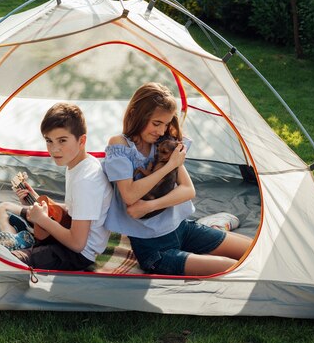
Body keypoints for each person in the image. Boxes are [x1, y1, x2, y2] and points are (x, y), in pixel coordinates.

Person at [103, 82, 252, 276]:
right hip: (155, 249)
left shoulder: (162, 143)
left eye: (166, 124)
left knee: (253, 250)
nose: (162, 131)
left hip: (183, 228)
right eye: (157, 123)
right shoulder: (120, 145)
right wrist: (170, 166)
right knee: (232, 268)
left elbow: (188, 190)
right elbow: (130, 195)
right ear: (136, 113)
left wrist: (149, 206)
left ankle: (212, 228)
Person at [4, 102, 114, 271]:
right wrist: (35, 197)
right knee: (3, 209)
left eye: (62, 140)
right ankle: (21, 237)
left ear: (82, 140)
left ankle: (20, 241)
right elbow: (74, 208)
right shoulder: (79, 164)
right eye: (49, 141)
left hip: (78, 254)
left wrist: (43, 220)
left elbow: (77, 244)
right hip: (69, 229)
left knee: (8, 260)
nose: (54, 149)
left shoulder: (86, 180)